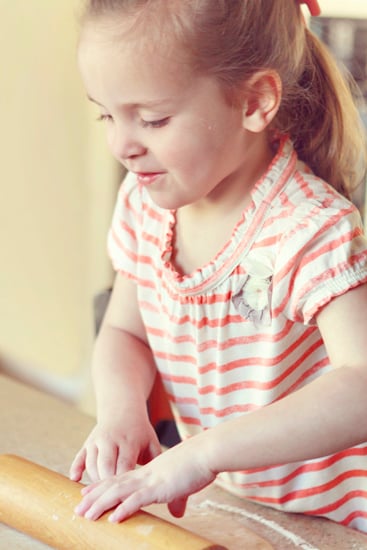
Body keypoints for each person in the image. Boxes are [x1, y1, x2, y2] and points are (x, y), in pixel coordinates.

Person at [70, 0, 367, 533]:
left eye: (153, 119)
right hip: (244, 510)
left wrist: (199, 456)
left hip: (337, 522)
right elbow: (124, 330)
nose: (121, 145)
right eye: (106, 113)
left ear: (255, 101)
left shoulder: (308, 229)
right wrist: (121, 413)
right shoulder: (145, 207)